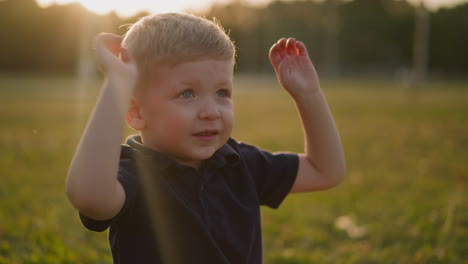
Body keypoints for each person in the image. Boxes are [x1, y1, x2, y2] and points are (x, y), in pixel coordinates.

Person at [66, 13, 346, 264]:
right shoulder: (134, 174)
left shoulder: (239, 163)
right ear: (136, 112)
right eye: (187, 93)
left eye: (222, 92)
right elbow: (89, 197)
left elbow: (325, 171)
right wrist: (117, 86)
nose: (211, 111)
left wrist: (309, 96)